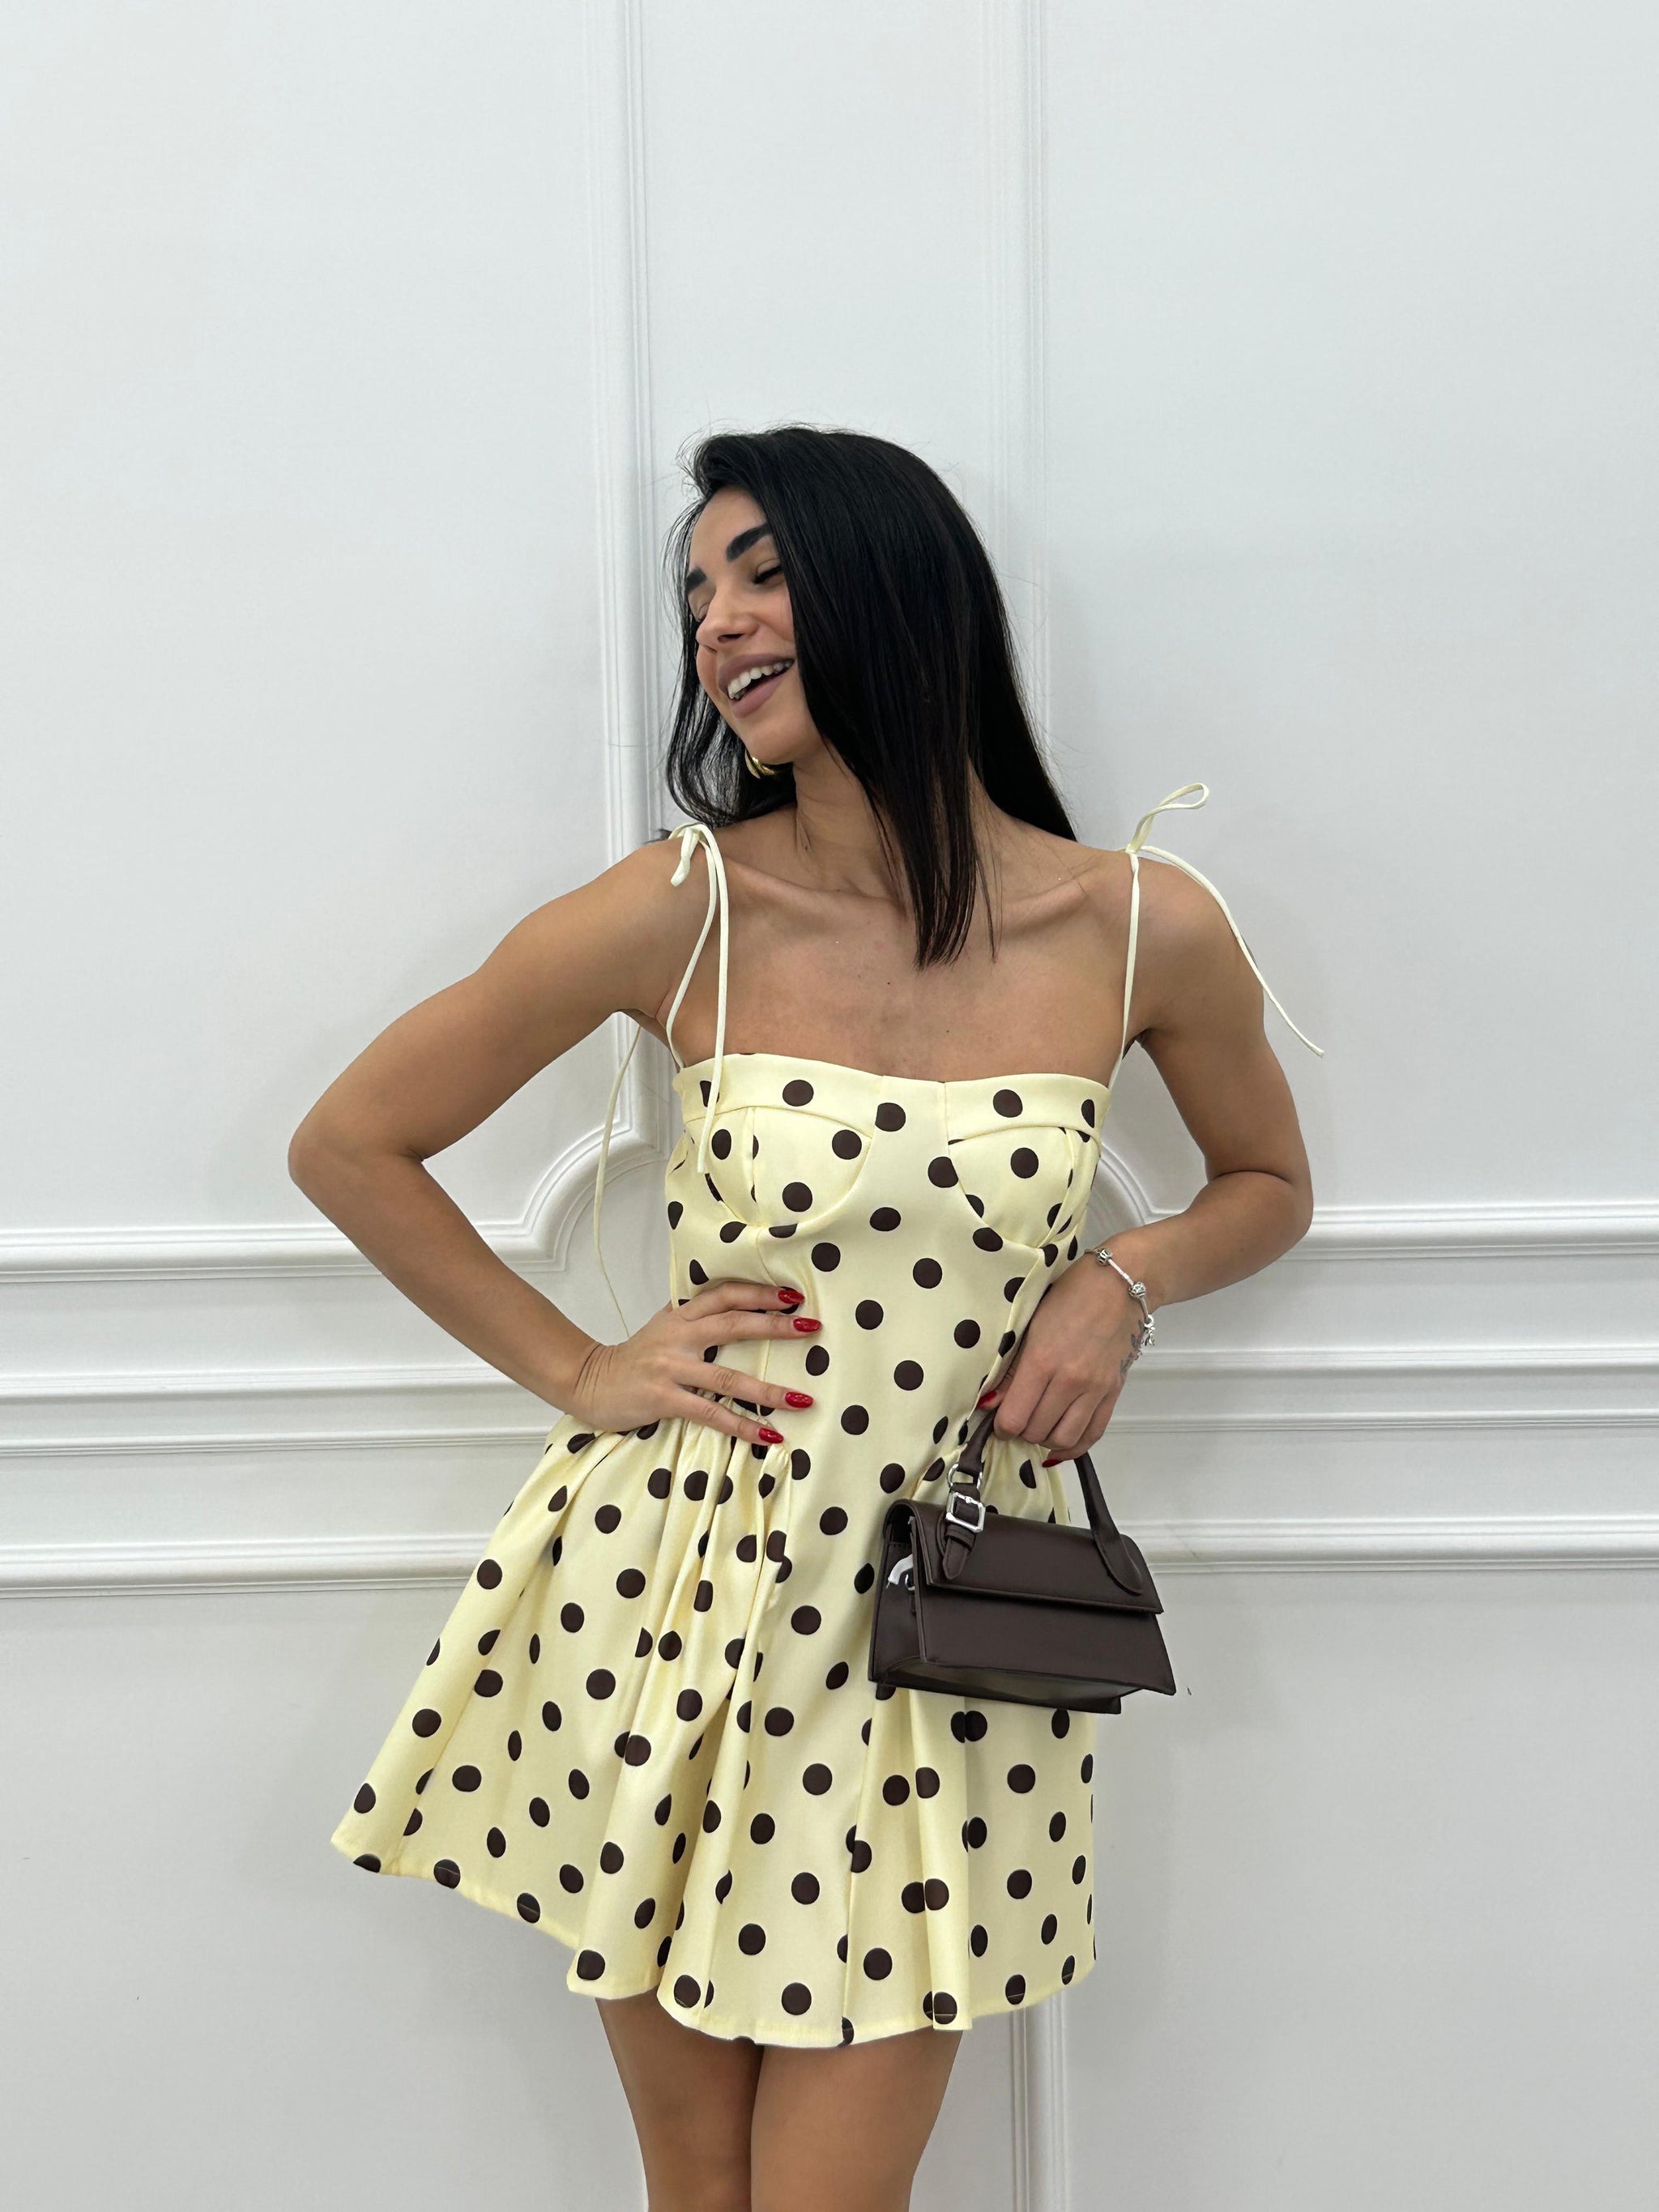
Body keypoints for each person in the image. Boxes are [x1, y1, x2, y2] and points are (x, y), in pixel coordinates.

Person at [292, 425, 1320, 2211]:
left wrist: (1121, 1276)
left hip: (948, 1613)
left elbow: (1266, 1181)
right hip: (675, 1584)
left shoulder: (1139, 923)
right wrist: (581, 1367)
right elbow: (350, 1143)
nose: (716, 622)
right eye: (698, 591)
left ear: (898, 586)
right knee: (700, 2194)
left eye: (761, 572)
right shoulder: (686, 904)